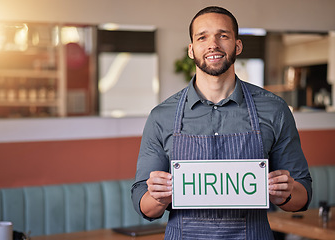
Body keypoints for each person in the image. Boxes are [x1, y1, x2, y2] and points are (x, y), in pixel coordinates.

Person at [131, 6, 312, 239]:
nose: (212, 44)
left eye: (222, 35)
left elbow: (303, 193)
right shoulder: (161, 116)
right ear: (191, 49)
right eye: (202, 37)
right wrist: (158, 197)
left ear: (237, 45)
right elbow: (141, 200)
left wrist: (285, 194)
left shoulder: (274, 109)